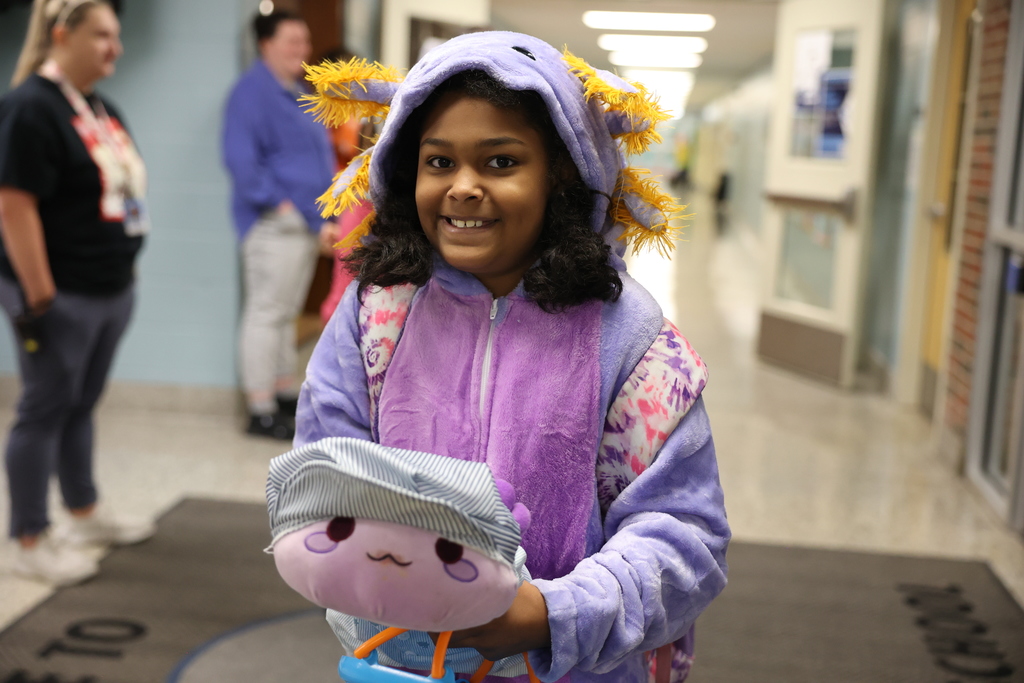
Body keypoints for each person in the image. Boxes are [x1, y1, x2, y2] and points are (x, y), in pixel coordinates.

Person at [294, 33, 730, 682]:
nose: (463, 187)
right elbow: (317, 482)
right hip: (402, 667)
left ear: (560, 176)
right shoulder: (375, 316)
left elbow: (684, 537)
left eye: (500, 162)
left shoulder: (632, 341)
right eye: (438, 162)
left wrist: (548, 614)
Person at [0, 0, 154, 587]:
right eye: (102, 36)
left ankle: (84, 512)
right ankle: (30, 538)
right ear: (62, 35)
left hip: (108, 286)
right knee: (43, 411)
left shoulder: (97, 107)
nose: (115, 47)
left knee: (81, 404)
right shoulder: (29, 109)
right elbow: (14, 206)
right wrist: (39, 295)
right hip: (59, 295)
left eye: (117, 36)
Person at [222, 10, 337, 440]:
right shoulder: (250, 93)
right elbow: (242, 162)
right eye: (292, 42)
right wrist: (285, 208)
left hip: (305, 225)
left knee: (286, 314)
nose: (302, 52)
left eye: (304, 43)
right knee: (266, 314)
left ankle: (283, 394)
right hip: (275, 225)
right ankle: (259, 408)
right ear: (266, 44)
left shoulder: (293, 92)